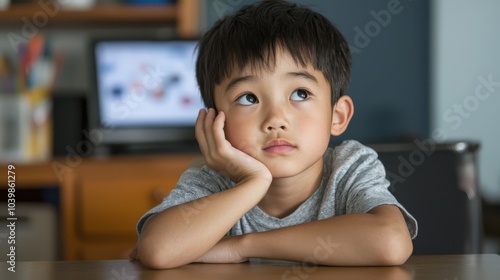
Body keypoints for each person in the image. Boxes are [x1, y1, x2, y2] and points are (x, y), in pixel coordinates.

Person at [131, 0, 417, 269]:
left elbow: (391, 242)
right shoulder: (212, 180)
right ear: (215, 122)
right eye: (248, 98)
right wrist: (254, 182)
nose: (276, 120)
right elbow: (158, 250)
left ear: (337, 116)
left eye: (300, 93)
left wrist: (241, 246)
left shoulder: (349, 167)